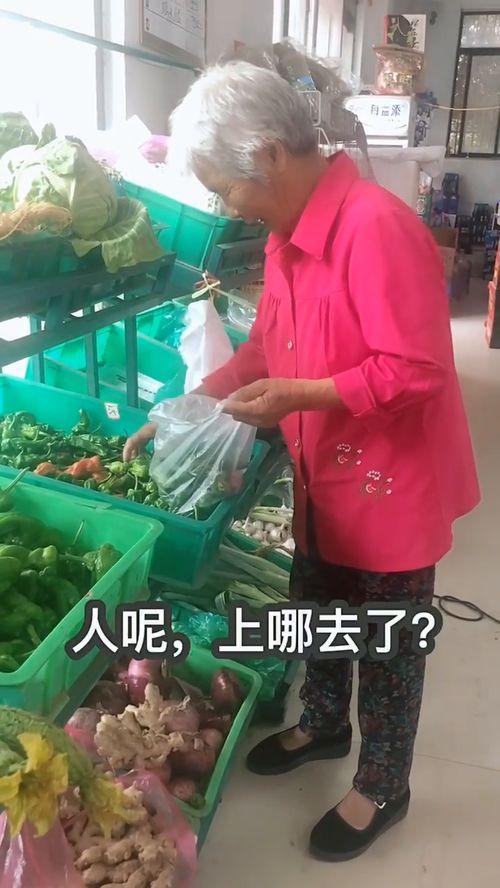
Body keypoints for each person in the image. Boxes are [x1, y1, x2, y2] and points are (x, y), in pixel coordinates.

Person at [124, 62, 480, 861]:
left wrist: (301, 395)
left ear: (268, 153)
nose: (226, 205)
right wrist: (190, 407)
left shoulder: (377, 229)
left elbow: (415, 371)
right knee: (316, 603)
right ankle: (322, 724)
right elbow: (263, 348)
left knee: (386, 640)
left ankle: (383, 784)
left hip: (390, 483)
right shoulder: (289, 238)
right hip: (326, 471)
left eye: (224, 186)